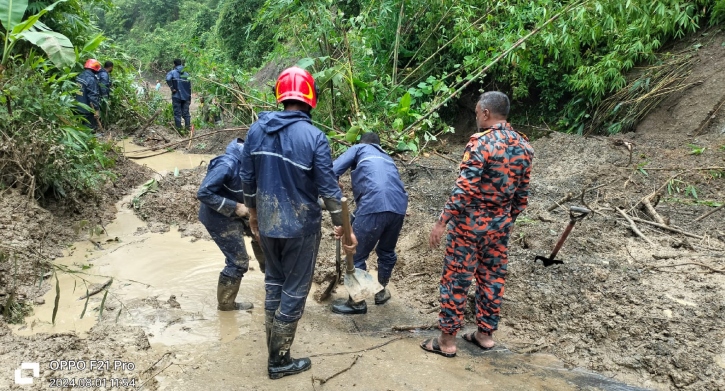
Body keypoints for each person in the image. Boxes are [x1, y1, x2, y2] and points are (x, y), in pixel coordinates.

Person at [241, 66, 357, 379]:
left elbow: (247, 178)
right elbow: (330, 190)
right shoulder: (315, 137)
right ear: (310, 99)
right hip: (299, 228)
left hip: (266, 223)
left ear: (281, 95)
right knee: (293, 290)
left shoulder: (256, 130)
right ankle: (279, 362)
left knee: (274, 283)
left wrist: (253, 214)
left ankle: (274, 353)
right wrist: (346, 229)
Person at [421, 91, 533, 358]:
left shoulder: (481, 143)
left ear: (485, 113)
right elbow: (521, 196)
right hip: (500, 227)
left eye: (476, 113)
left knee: (457, 280)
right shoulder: (525, 146)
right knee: (492, 279)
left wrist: (442, 222)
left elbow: (464, 189)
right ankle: (484, 335)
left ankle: (447, 342)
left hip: (469, 227)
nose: (476, 118)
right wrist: (506, 221)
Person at [330, 132, 408, 314]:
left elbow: (331, 171)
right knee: (386, 251)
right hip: (398, 207)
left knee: (356, 254)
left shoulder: (359, 148)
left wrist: (334, 187)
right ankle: (381, 292)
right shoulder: (387, 159)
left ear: (362, 143)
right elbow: (368, 205)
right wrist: (345, 225)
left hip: (374, 204)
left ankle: (357, 303)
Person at [197, 138, 267, 312]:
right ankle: (226, 305)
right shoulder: (226, 165)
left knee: (264, 240)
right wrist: (235, 207)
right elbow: (203, 193)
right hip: (218, 216)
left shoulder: (258, 164)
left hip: (243, 209)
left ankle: (271, 280)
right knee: (238, 262)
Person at [75, 59, 102, 131]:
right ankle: (90, 138)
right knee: (89, 126)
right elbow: (92, 96)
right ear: (95, 69)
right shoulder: (91, 79)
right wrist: (96, 109)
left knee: (81, 125)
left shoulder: (80, 76)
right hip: (87, 107)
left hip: (78, 105)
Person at [166, 59, 192, 130]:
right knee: (186, 113)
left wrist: (172, 88)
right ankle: (187, 128)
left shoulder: (172, 72)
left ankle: (179, 129)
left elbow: (168, 79)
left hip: (176, 96)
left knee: (177, 113)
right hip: (186, 97)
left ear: (174, 64)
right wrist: (189, 98)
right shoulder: (187, 74)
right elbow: (189, 87)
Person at [97, 61, 113, 126]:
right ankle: (102, 125)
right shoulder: (104, 74)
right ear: (111, 67)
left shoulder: (99, 72)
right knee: (102, 110)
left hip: (97, 94)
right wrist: (105, 97)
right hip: (101, 96)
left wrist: (109, 84)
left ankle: (100, 124)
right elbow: (103, 86)